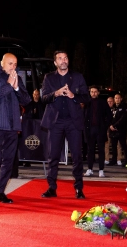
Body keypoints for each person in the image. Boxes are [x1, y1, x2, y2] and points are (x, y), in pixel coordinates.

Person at [0, 53, 31, 207]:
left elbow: (26, 100)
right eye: (10, 63)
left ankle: (0, 192)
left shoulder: (17, 77)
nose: (13, 67)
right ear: (2, 63)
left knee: (9, 160)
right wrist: (9, 85)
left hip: (12, 125)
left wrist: (17, 87)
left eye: (15, 64)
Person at [40, 50, 90, 199]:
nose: (63, 60)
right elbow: (43, 98)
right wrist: (55, 93)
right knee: (53, 156)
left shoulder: (77, 77)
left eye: (66, 58)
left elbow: (86, 98)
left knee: (77, 156)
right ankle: (51, 187)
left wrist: (73, 96)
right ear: (55, 62)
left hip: (73, 122)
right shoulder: (49, 78)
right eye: (60, 58)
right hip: (55, 122)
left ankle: (79, 188)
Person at [83, 85, 112, 177]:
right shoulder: (87, 103)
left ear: (98, 92)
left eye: (95, 92)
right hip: (90, 130)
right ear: (89, 92)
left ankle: (101, 170)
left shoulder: (103, 103)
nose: (93, 93)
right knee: (90, 150)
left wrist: (105, 126)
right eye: (92, 92)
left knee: (101, 150)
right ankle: (90, 169)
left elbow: (109, 116)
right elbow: (83, 115)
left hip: (100, 130)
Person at [108, 93, 127, 167]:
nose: (117, 99)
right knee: (113, 146)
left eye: (118, 98)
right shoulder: (113, 107)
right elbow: (109, 117)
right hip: (112, 130)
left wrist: (115, 125)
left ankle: (126, 160)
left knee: (123, 145)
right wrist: (110, 125)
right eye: (116, 98)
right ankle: (113, 160)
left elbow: (123, 119)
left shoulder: (124, 107)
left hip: (121, 130)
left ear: (121, 99)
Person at [104, 97, 122, 165]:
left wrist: (114, 126)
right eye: (108, 101)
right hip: (107, 129)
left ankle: (118, 159)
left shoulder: (116, 109)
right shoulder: (105, 109)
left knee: (118, 145)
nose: (109, 103)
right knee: (106, 144)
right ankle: (107, 159)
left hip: (115, 129)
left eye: (111, 101)